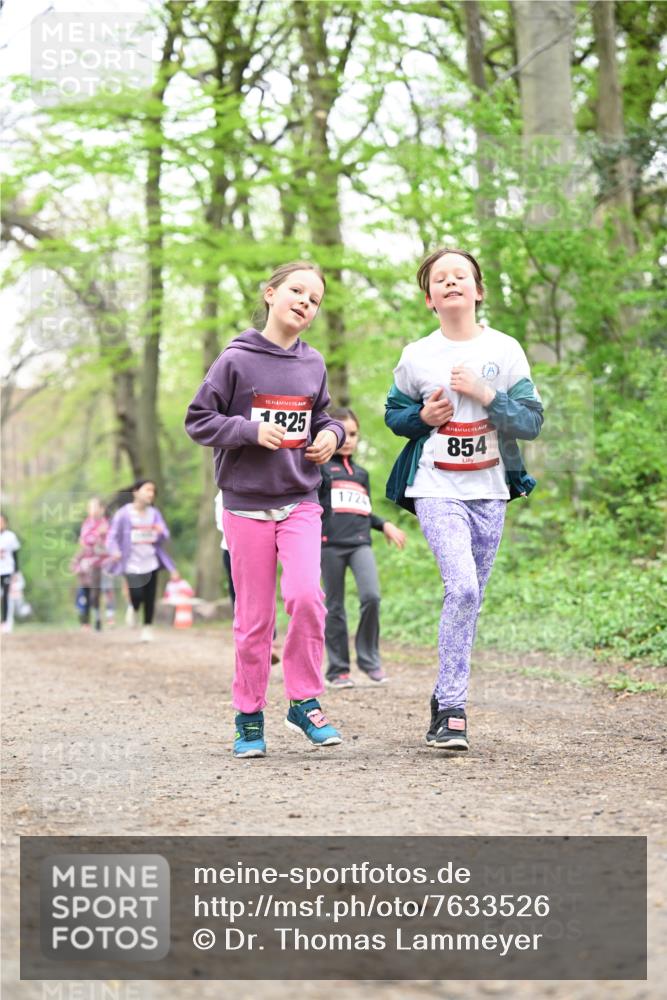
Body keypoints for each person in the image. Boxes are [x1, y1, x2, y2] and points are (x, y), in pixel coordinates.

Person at [385, 248, 544, 752]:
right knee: (464, 589)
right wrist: (422, 418)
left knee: (470, 599)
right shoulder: (417, 355)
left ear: (478, 290)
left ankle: (443, 694)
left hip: (491, 490)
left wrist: (487, 393)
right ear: (429, 298)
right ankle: (453, 710)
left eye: (461, 276)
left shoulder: (505, 349)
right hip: (435, 486)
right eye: (440, 279)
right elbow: (394, 415)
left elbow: (531, 422)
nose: (451, 282)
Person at [185, 260, 346, 759]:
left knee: (307, 597)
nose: (305, 302)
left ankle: (304, 700)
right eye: (297, 290)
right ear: (271, 294)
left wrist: (330, 434)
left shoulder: (313, 363)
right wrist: (249, 430)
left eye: (314, 300)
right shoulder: (235, 359)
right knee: (255, 620)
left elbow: (324, 415)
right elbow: (198, 420)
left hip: (299, 499)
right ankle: (249, 715)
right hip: (246, 505)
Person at [319, 407, 406, 688]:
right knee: (334, 607)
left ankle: (369, 661)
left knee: (372, 597)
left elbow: (363, 510)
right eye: (342, 433)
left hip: (360, 544)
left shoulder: (361, 473)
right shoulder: (321, 469)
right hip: (329, 545)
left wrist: (385, 524)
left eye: (354, 434)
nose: (348, 440)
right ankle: (338, 670)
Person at [106, 479, 179, 642]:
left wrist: (160, 531)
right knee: (137, 594)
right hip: (131, 562)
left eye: (153, 491)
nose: (151, 494)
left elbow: (164, 534)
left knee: (150, 596)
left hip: (151, 561)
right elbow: (111, 537)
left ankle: (147, 628)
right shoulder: (124, 514)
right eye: (147, 490)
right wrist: (115, 551)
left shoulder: (154, 513)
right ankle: (134, 607)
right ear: (136, 492)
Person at [71, 497, 109, 631]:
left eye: (94, 507)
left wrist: (96, 538)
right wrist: (97, 535)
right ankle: (85, 621)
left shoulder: (106, 524)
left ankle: (99, 618)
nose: (92, 510)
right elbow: (85, 541)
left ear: (101, 509)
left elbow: (108, 543)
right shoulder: (87, 523)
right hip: (86, 564)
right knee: (84, 593)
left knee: (97, 593)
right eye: (90, 507)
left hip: (101, 564)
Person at [0, 513, 21, 633]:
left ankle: (6, 622)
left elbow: (15, 554)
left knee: (6, 596)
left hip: (7, 570)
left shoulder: (10, 536)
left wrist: (16, 572)